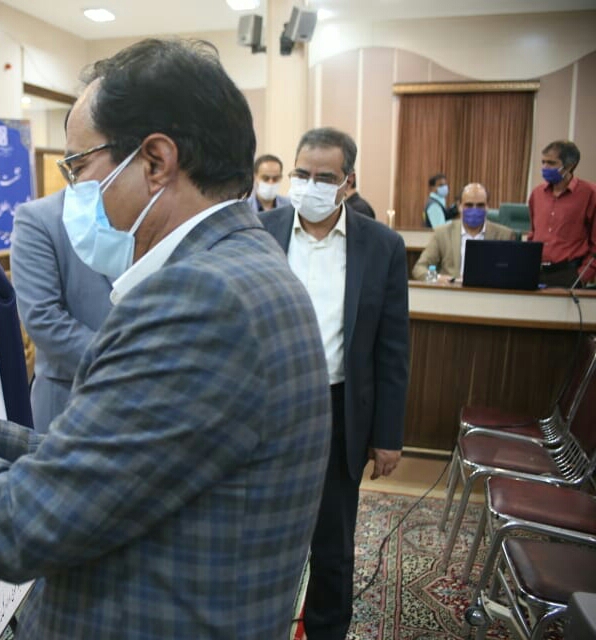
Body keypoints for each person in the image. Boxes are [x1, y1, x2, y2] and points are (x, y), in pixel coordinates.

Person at [0, 38, 332, 639]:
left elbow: (22, 524)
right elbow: (101, 470)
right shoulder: (248, 265)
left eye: (79, 167)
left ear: (155, 162)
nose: (74, 193)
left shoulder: (196, 299)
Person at [259, 127, 409, 640]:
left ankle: (326, 631)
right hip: (267, 406)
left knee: (332, 544)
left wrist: (387, 435)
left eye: (325, 177)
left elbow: (392, 348)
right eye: (302, 174)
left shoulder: (382, 246)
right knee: (262, 533)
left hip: (338, 410)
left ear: (348, 182)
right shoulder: (260, 231)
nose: (310, 185)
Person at [10, 191, 114, 433]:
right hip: (71, 401)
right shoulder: (39, 218)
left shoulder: (156, 211)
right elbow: (43, 319)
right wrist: (126, 359)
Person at [412, 182, 518, 282]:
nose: (474, 210)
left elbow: (513, 274)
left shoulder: (505, 235)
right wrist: (438, 279)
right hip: (453, 292)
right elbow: (419, 269)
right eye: (469, 205)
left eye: (480, 205)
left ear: (487, 207)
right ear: (460, 206)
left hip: (489, 292)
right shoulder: (442, 233)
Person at [528, 140, 596, 287]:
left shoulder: (590, 194)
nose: (545, 167)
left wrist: (583, 276)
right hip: (536, 272)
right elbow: (533, 233)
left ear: (570, 166)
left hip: (569, 274)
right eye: (543, 162)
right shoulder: (537, 194)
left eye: (551, 163)